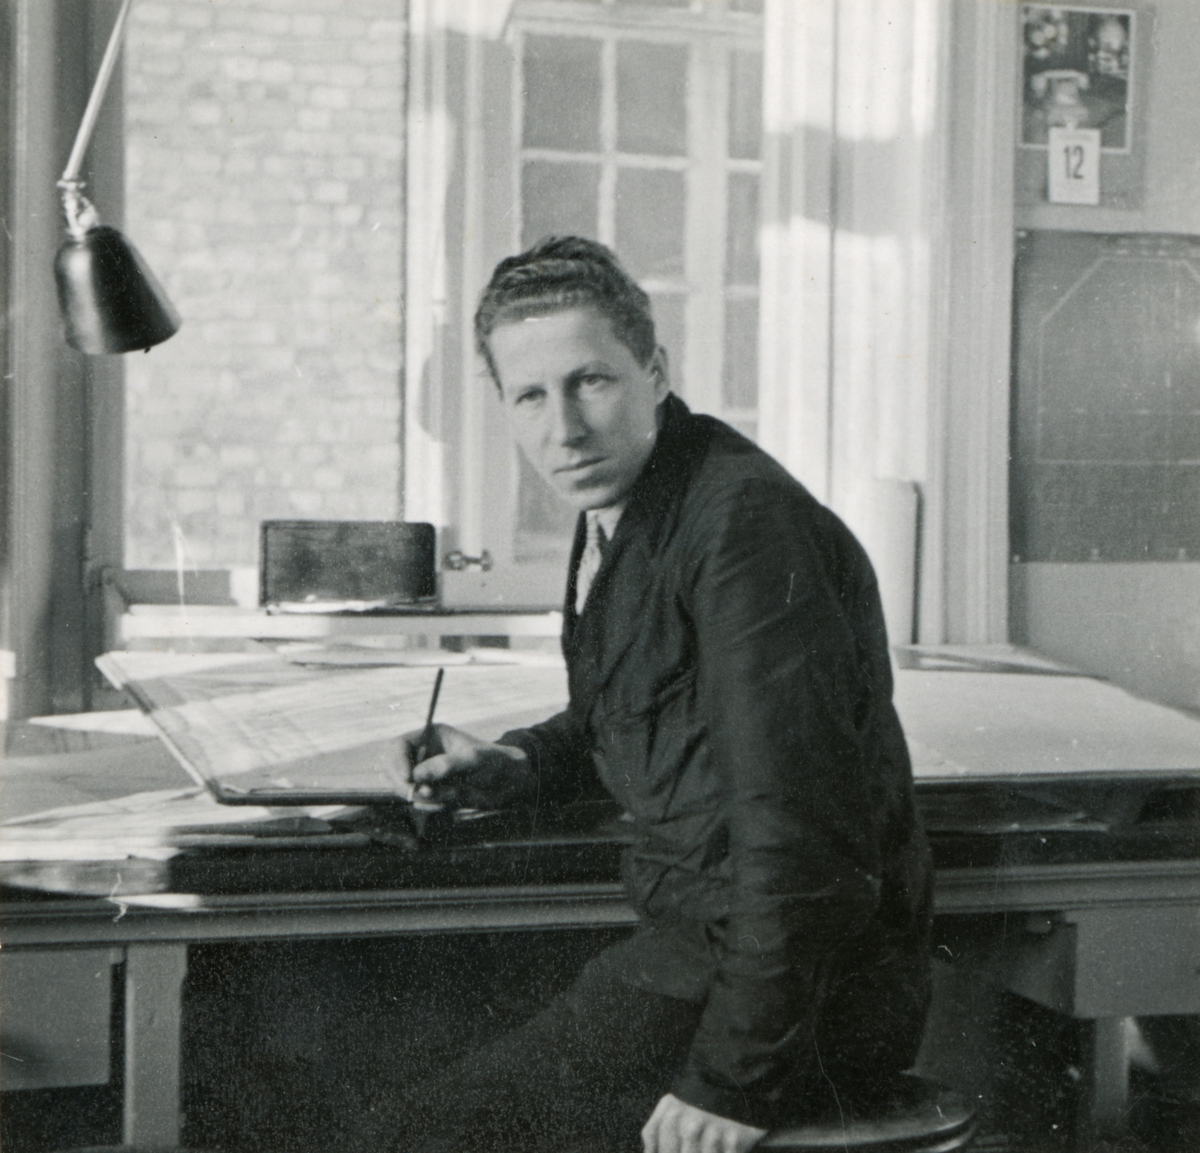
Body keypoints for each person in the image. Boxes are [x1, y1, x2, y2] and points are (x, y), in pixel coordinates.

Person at [370, 236, 933, 1153]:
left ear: (656, 373)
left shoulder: (743, 525)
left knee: (409, 1135)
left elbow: (803, 830)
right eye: (529, 396)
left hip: (788, 997)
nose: (564, 428)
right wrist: (513, 762)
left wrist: (732, 1082)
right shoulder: (631, 499)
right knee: (410, 1058)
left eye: (591, 381)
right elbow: (636, 704)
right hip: (713, 943)